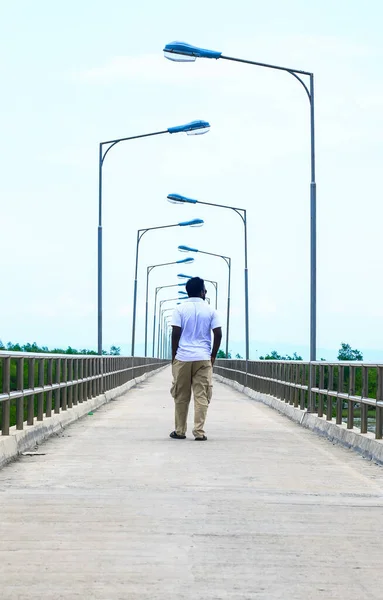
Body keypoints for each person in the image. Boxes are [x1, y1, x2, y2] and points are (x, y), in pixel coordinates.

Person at [169, 277, 222, 441]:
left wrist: (174, 356)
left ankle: (179, 431)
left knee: (181, 396)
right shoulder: (211, 311)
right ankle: (199, 432)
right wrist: (213, 355)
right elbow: (218, 334)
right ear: (201, 292)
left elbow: (176, 334)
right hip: (203, 358)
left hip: (183, 357)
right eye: (205, 290)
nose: (205, 292)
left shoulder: (179, 309)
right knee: (202, 395)